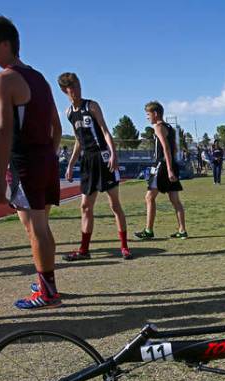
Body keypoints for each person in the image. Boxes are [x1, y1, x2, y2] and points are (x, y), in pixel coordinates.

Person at [0, 14, 62, 309]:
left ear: (6, 43)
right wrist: (48, 156)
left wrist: (0, 179)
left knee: (36, 227)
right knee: (37, 225)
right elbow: (57, 127)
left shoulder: (3, 78)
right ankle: (46, 283)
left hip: (26, 161)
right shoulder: (39, 77)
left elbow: (3, 132)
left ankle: (48, 292)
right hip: (44, 158)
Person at [57, 72, 132, 262]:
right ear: (65, 91)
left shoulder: (92, 106)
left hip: (103, 157)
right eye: (72, 88)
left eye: (78, 86)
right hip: (87, 162)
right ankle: (84, 250)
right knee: (85, 206)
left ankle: (124, 246)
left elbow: (105, 131)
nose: (77, 91)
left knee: (114, 204)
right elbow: (78, 140)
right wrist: (71, 163)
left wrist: (113, 154)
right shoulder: (68, 113)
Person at [135, 101, 187, 239]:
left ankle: (148, 230)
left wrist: (169, 169)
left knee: (149, 197)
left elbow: (166, 148)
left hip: (162, 166)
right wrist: (172, 166)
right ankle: (182, 230)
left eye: (148, 114)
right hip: (169, 164)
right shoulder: (169, 127)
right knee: (175, 199)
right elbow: (174, 148)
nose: (147, 117)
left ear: (155, 113)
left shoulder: (158, 127)